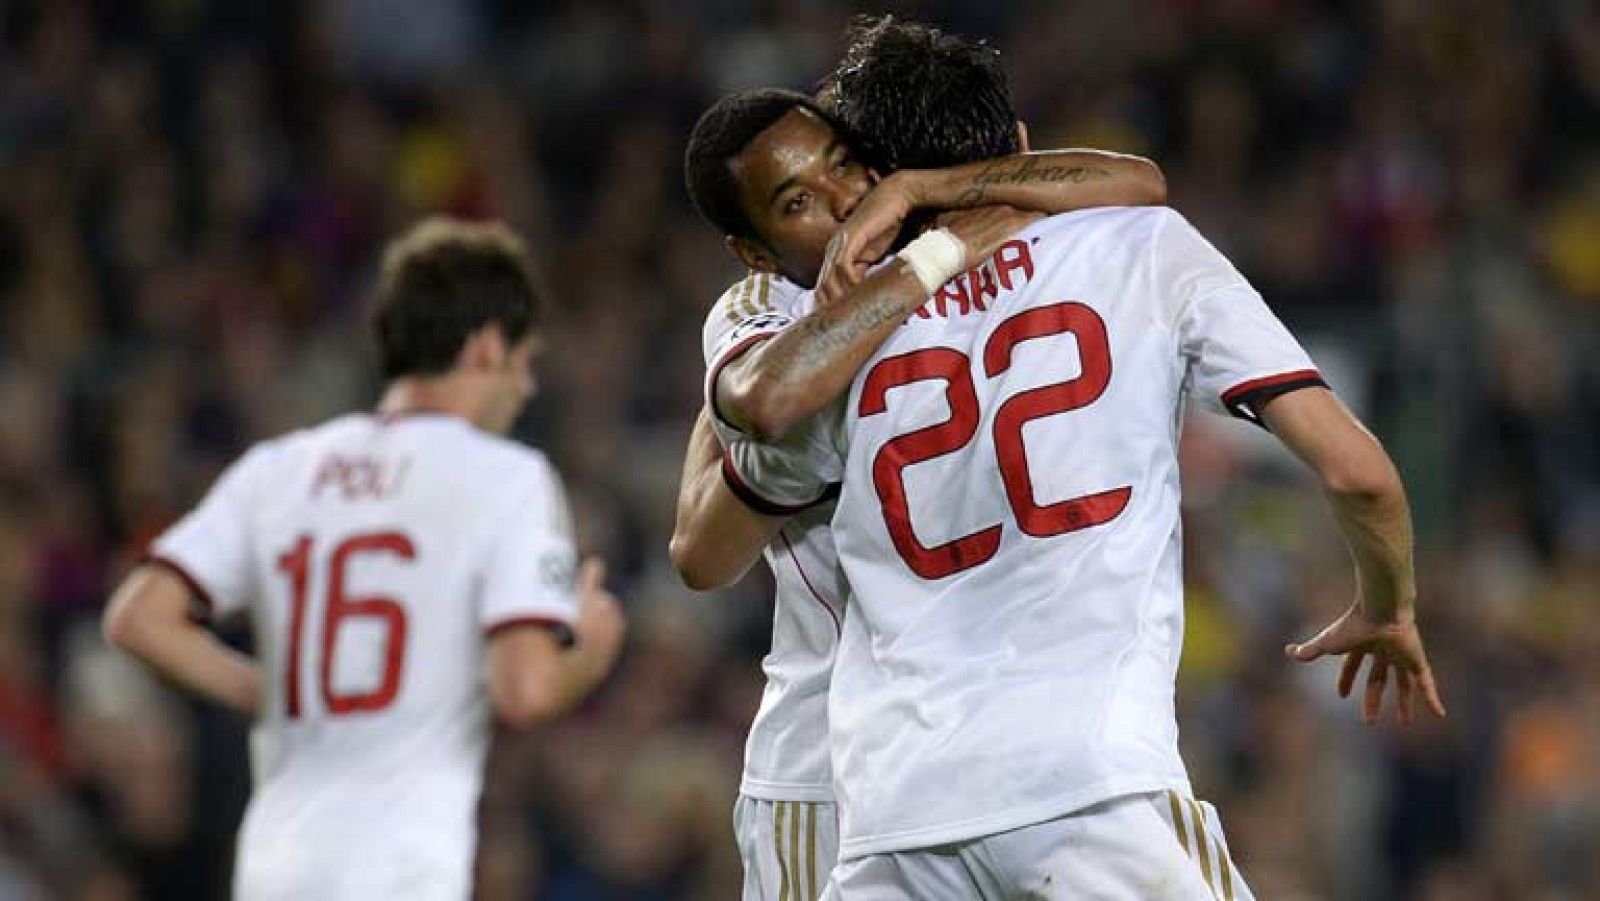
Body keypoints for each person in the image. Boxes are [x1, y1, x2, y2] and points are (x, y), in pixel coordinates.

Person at [716, 16, 1446, 900]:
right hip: (1094, 786)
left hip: (894, 818)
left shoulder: (837, 330)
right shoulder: (1141, 246)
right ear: (1021, 145)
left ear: (871, 181)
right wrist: (1388, 603)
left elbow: (708, 542)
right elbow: (1358, 472)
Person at [674, 53, 1167, 901]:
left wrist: (932, 202)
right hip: (830, 770)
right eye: (796, 202)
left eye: (843, 167)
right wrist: (943, 241)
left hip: (1014, 752)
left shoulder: (979, 242)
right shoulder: (770, 317)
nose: (840, 204)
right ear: (752, 250)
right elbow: (710, 530)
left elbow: (1141, 181)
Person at [102, 218, 627, 900]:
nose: (525, 388)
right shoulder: (507, 477)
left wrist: (268, 689)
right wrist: (591, 647)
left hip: (276, 864)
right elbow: (524, 690)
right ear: (488, 346)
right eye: (525, 362)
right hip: (398, 867)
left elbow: (137, 616)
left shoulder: (281, 467)